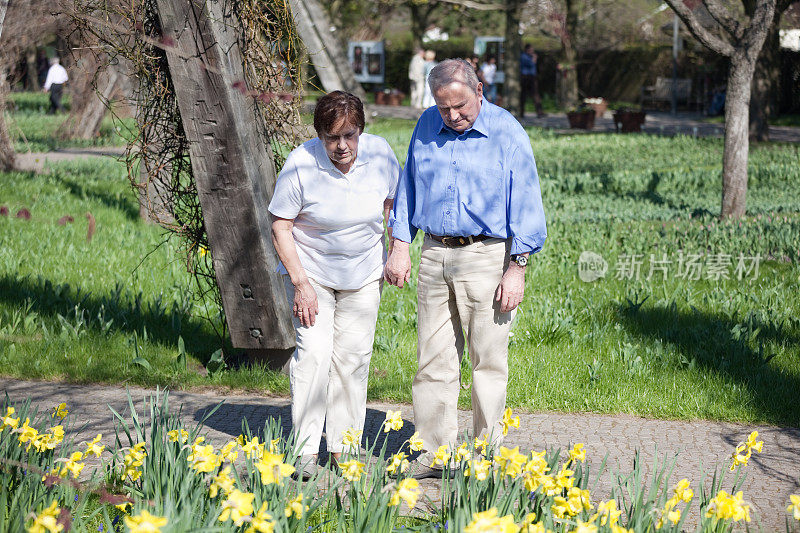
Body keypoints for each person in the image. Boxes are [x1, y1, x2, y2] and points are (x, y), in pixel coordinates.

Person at [385, 59, 546, 479]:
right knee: (432, 361)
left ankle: (484, 457)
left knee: (487, 362)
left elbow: (526, 202)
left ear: (479, 89)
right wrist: (400, 245)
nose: (453, 116)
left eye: (461, 106)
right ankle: (434, 453)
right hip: (435, 254)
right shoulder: (425, 126)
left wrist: (518, 268)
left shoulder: (507, 130)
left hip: (487, 257)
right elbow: (409, 188)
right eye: (443, 108)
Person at [269, 91, 400, 479]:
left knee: (353, 359)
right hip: (314, 276)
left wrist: (398, 250)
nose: (342, 146)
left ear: (361, 131)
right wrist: (300, 283)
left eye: (350, 135)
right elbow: (281, 225)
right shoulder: (300, 164)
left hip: (363, 273)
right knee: (313, 355)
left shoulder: (379, 155)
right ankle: (305, 451)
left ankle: (346, 447)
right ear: (319, 135)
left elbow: (393, 203)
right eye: (332, 138)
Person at [520, 45, 544, 118]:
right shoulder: (524, 56)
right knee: (523, 95)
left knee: (535, 94)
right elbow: (531, 64)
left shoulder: (530, 56)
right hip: (526, 77)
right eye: (531, 50)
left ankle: (539, 112)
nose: (532, 52)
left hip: (532, 77)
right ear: (527, 50)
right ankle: (521, 112)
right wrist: (534, 58)